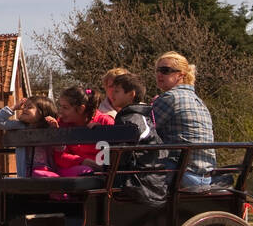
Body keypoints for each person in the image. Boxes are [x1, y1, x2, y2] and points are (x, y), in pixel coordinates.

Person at [150, 51, 216, 188]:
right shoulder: (198, 100)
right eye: (157, 70)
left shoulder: (170, 98)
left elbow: (143, 132)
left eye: (165, 70)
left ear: (181, 75)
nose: (159, 74)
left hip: (182, 174)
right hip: (205, 176)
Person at [106, 72, 166, 203]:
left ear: (131, 94)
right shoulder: (136, 116)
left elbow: (120, 154)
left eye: (117, 91)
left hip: (140, 183)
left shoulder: (132, 120)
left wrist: (103, 166)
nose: (112, 95)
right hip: (143, 178)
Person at [52, 85, 113, 176]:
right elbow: (59, 156)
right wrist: (82, 161)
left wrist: (102, 133)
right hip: (74, 169)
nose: (60, 111)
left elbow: (113, 153)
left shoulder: (105, 121)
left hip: (102, 173)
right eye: (60, 106)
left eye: (65, 108)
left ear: (81, 109)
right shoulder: (62, 124)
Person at [0, 96, 58, 176]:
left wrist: (55, 131)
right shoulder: (20, 125)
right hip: (27, 173)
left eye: (29, 107)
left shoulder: (49, 128)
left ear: (42, 112)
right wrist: (14, 107)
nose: (24, 109)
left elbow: (60, 148)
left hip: (48, 170)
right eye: (25, 106)